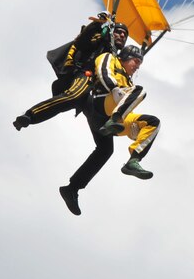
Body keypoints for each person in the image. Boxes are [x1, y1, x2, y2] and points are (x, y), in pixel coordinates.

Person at [58, 44, 160, 216]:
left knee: (150, 123)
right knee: (138, 91)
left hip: (113, 114)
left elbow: (126, 100)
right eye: (135, 61)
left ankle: (73, 188)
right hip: (99, 102)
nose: (137, 67)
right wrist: (117, 90)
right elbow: (104, 74)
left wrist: (134, 128)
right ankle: (114, 120)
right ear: (126, 57)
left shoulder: (128, 82)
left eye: (139, 64)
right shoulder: (110, 58)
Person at [13, 15, 128, 131]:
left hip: (95, 94)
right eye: (118, 32)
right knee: (73, 97)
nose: (122, 36)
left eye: (125, 35)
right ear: (112, 32)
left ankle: (104, 144)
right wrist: (97, 25)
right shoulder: (100, 41)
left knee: (105, 144)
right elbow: (81, 42)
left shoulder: (118, 59)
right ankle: (29, 115)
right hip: (86, 76)